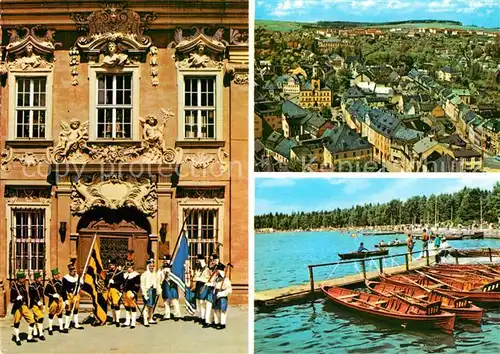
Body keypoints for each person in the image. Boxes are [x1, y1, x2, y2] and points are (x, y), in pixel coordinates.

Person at [10, 271, 36, 345]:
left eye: (24, 278)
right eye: (22, 278)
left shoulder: (23, 285)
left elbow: (26, 297)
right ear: (19, 279)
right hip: (17, 307)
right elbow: (11, 300)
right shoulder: (14, 288)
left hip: (24, 306)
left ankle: (29, 337)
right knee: (17, 323)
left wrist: (28, 305)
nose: (24, 279)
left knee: (32, 321)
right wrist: (16, 299)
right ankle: (17, 338)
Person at [62, 258, 84, 330]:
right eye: (72, 271)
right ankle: (66, 325)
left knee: (76, 309)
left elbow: (80, 286)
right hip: (69, 295)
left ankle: (76, 324)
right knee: (68, 310)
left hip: (76, 295)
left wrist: (81, 283)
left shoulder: (77, 277)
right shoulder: (65, 278)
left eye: (74, 271)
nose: (74, 272)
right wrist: (65, 299)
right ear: (70, 271)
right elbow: (63, 289)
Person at [158, 255, 181, 321]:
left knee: (174, 300)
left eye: (166, 260)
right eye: (164, 260)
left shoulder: (173, 267)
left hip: (172, 285)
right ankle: (167, 314)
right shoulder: (161, 268)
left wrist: (169, 274)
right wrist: (162, 275)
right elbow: (159, 275)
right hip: (165, 284)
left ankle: (177, 314)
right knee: (166, 301)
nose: (165, 261)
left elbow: (176, 275)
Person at [122, 251, 141, 329]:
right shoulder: (125, 274)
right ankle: (127, 321)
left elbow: (137, 285)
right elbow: (123, 284)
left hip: (131, 293)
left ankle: (133, 322)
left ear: (132, 267)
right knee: (126, 306)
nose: (128, 269)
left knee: (133, 307)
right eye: (127, 267)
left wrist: (134, 292)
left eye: (130, 268)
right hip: (125, 292)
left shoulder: (136, 275)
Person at [44, 268, 65, 335]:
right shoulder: (50, 284)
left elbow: (63, 292)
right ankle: (50, 328)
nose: (57, 275)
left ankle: (61, 328)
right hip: (53, 301)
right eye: (56, 275)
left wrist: (64, 299)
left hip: (60, 300)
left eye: (58, 274)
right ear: (53, 276)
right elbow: (46, 292)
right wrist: (53, 295)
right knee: (51, 314)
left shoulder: (60, 282)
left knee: (60, 313)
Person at [105, 259, 124, 327]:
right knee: (112, 305)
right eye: (110, 265)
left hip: (116, 290)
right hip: (110, 290)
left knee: (116, 305)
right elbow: (105, 281)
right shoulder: (108, 272)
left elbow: (122, 281)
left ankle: (117, 321)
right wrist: (107, 281)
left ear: (115, 265)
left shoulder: (119, 272)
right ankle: (114, 319)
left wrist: (114, 282)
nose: (110, 266)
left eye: (112, 265)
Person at [140, 258, 159, 327]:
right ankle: (145, 320)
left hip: (153, 291)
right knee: (146, 306)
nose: (152, 267)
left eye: (153, 266)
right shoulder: (144, 275)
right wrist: (144, 293)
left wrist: (158, 290)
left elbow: (157, 283)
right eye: (150, 266)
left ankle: (150, 318)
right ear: (148, 266)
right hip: (147, 291)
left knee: (152, 306)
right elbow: (142, 285)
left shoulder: (155, 274)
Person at [193, 254, 211, 324]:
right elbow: (195, 277)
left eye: (198, 259)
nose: (197, 261)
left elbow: (208, 279)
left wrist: (200, 279)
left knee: (202, 303)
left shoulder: (207, 269)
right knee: (198, 302)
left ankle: (204, 318)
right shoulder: (198, 268)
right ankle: (200, 316)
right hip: (198, 286)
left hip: (203, 287)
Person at [214, 263, 232, 330]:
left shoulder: (226, 280)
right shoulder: (216, 279)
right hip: (216, 294)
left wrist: (222, 293)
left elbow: (229, 289)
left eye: (217, 270)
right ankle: (216, 322)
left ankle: (222, 324)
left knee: (222, 310)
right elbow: (214, 285)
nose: (216, 272)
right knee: (216, 309)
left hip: (222, 296)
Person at [28, 272, 46, 341]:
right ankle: (41, 334)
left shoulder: (41, 286)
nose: (41, 279)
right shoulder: (31, 286)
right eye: (39, 278)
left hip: (40, 304)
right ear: (36, 279)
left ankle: (35, 332)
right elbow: (31, 296)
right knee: (41, 317)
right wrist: (36, 302)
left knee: (36, 318)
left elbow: (42, 295)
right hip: (34, 304)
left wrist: (43, 304)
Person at [204, 254, 220, 328]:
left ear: (216, 260)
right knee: (208, 305)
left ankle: (216, 321)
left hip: (216, 290)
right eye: (210, 260)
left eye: (212, 260)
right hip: (210, 291)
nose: (211, 261)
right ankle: (207, 321)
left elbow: (220, 280)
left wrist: (212, 284)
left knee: (216, 307)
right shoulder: (209, 268)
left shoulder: (220, 269)